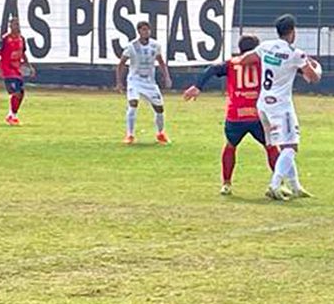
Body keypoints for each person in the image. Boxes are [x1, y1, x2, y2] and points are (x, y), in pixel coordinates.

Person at [236, 13, 321, 200]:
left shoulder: (265, 46)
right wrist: (316, 66)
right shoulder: (295, 53)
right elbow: (313, 77)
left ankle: (296, 187)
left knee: (283, 147)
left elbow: (244, 59)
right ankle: (274, 185)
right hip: (281, 106)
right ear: (292, 32)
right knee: (291, 146)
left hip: (263, 105)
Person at [182, 34, 278, 195]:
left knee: (230, 146)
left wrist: (198, 86)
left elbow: (212, 69)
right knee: (270, 146)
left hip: (236, 115)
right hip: (258, 115)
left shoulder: (232, 64)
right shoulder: (263, 63)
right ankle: (277, 182)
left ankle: (226, 184)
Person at [115, 21, 171, 144]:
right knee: (133, 103)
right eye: (144, 30)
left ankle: (160, 133)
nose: (146, 32)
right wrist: (119, 82)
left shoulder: (155, 46)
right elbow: (121, 64)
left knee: (159, 109)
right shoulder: (132, 46)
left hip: (150, 82)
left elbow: (161, 62)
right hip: (135, 80)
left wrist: (167, 77)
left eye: (148, 30)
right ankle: (130, 135)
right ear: (139, 31)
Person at [0, 16, 34, 126]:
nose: (16, 27)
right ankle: (12, 116)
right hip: (7, 69)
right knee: (16, 93)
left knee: (21, 93)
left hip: (16, 69)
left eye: (17, 24)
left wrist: (29, 66)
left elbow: (23, 53)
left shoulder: (21, 39)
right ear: (10, 26)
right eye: (14, 24)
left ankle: (12, 115)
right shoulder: (5, 39)